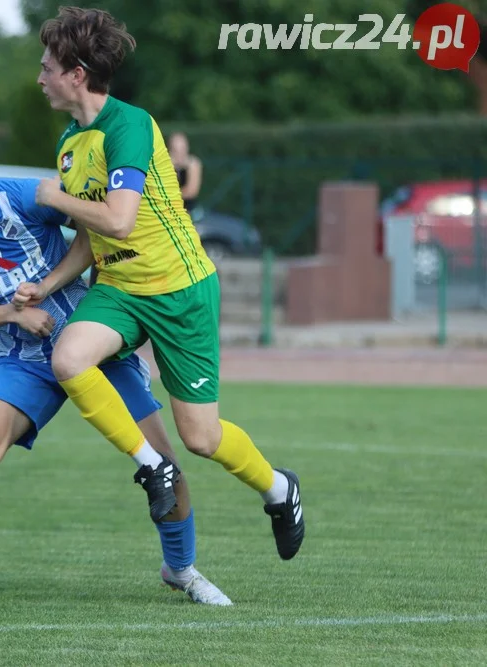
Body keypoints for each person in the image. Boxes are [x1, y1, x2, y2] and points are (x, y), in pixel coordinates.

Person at [0, 125, 231, 613]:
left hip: (91, 344)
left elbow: (96, 231)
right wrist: (12, 313)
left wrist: (61, 290)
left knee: (166, 463)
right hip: (25, 357)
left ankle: (181, 570)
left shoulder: (25, 197)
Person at [21, 6, 304, 561]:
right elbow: (90, 236)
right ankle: (153, 468)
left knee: (202, 438)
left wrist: (53, 196)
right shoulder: (70, 143)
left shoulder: (129, 125)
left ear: (76, 73)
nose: (40, 77)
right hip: (121, 289)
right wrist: (48, 283)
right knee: (69, 357)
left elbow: (119, 219)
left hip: (180, 291)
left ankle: (279, 489)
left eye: (47, 66)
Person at [168, 132, 202, 213]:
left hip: (189, 209)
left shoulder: (193, 164)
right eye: (175, 150)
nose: (179, 154)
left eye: (182, 149)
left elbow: (191, 192)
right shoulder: (165, 166)